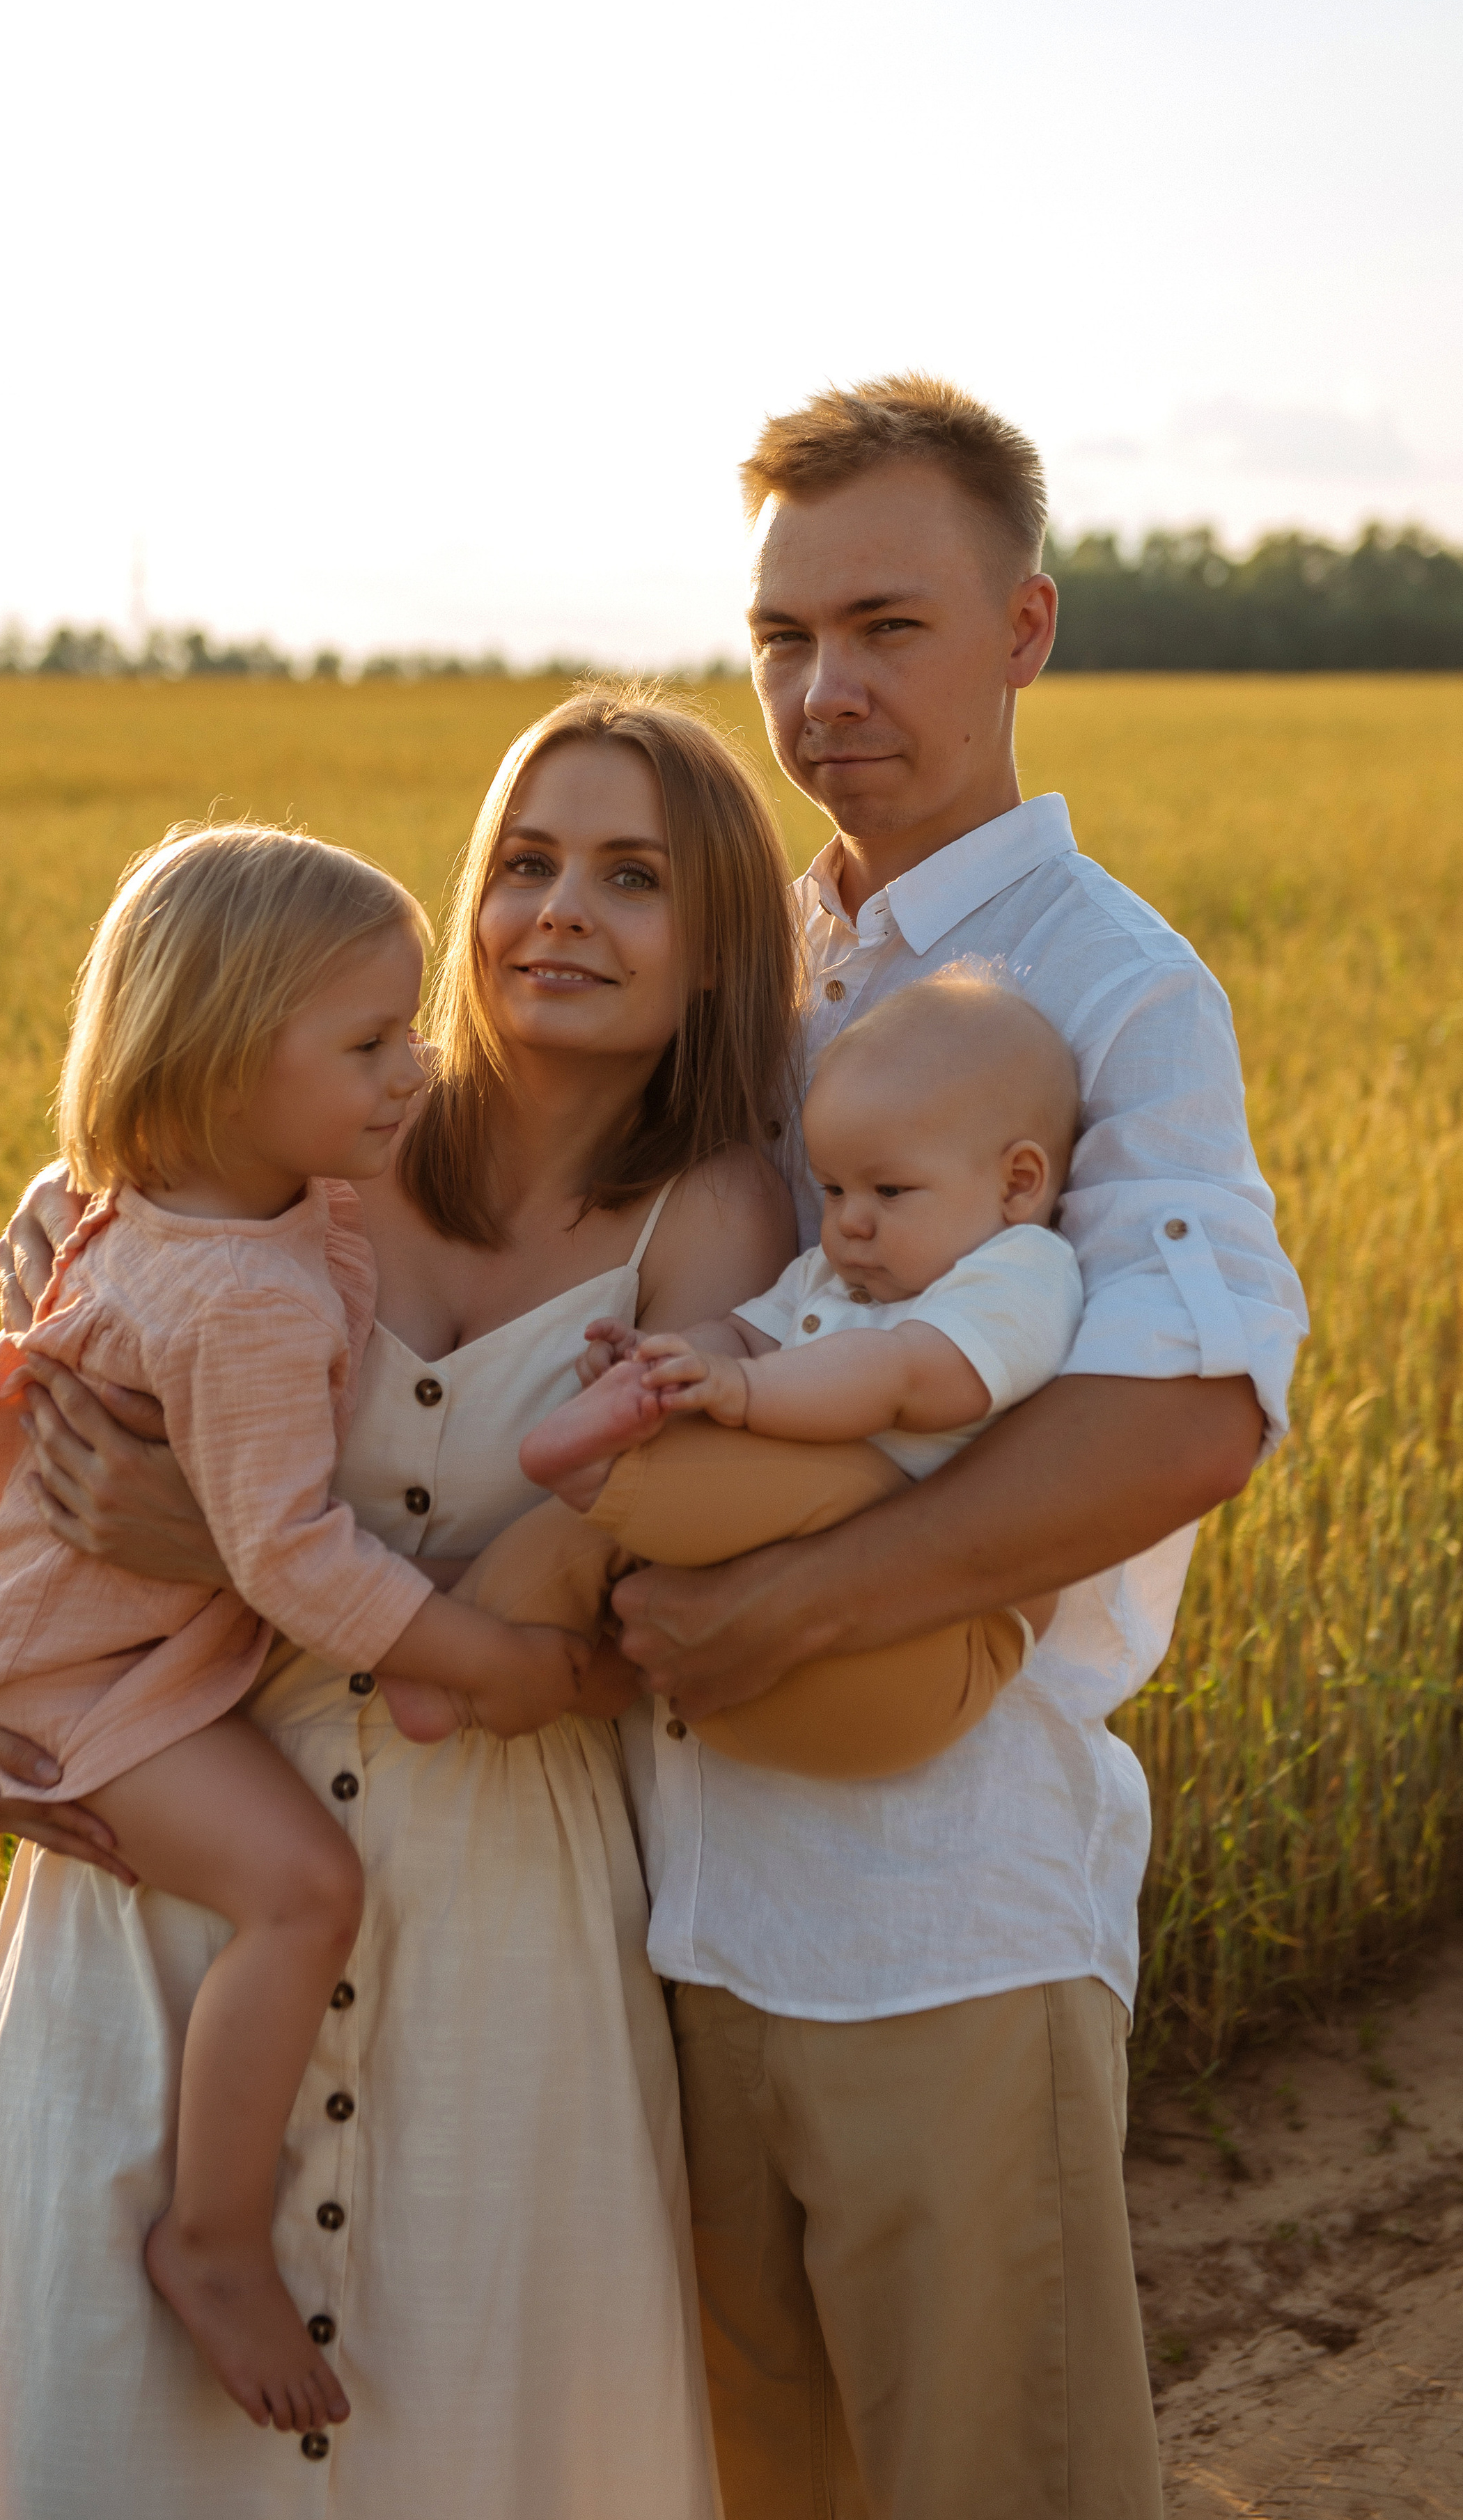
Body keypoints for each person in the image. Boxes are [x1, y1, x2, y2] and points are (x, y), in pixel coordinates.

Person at [0, 688, 852, 2519]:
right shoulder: (284, 1137)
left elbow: (633, 1633)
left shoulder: (720, 1225)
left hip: (502, 1933)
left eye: (632, 876)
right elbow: (13, 1400)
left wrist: (234, 1560)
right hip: (162, 1882)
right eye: (527, 861)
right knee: (117, 2441)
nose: (559, 909)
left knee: (477, 2431)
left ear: (724, 939)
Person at [600, 376, 1308, 2518]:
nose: (822, 692)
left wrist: (786, 1606)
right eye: (781, 640)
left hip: (942, 1917)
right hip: (672, 1910)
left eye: (886, 628)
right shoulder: (725, 953)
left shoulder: (1114, 991)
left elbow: (1193, 1407)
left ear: (1024, 628)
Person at [0, 822, 607, 2438]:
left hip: (69, 1632)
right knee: (303, 1890)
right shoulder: (246, 1293)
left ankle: (212, 2227)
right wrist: (480, 1657)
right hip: (69, 1675)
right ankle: (212, 2235)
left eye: (410, 1027)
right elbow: (290, 1559)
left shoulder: (227, 1210)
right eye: (366, 1042)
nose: (412, 1068)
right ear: (223, 1067)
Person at [487, 966, 1082, 1780]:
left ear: (1017, 1184)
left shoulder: (1018, 1271)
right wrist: (668, 1360)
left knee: (777, 1469)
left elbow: (905, 1378)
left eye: (889, 1190)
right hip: (745, 1675)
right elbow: (742, 1331)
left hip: (930, 1644)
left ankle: (597, 1467)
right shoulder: (832, 1281)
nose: (849, 1222)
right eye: (831, 1189)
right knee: (570, 1540)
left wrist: (741, 1393)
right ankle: (469, 1662)